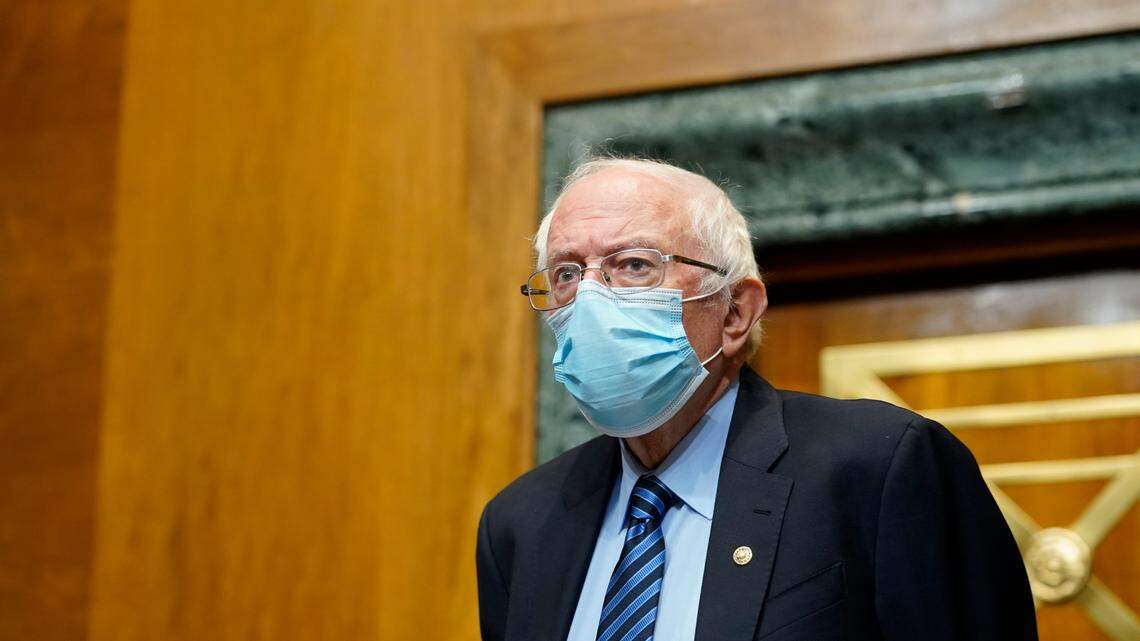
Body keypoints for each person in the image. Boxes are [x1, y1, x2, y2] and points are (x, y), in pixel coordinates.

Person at [475, 157, 1037, 641]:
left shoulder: (879, 466)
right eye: (568, 273)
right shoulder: (521, 523)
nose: (593, 297)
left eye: (634, 265)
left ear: (736, 313)